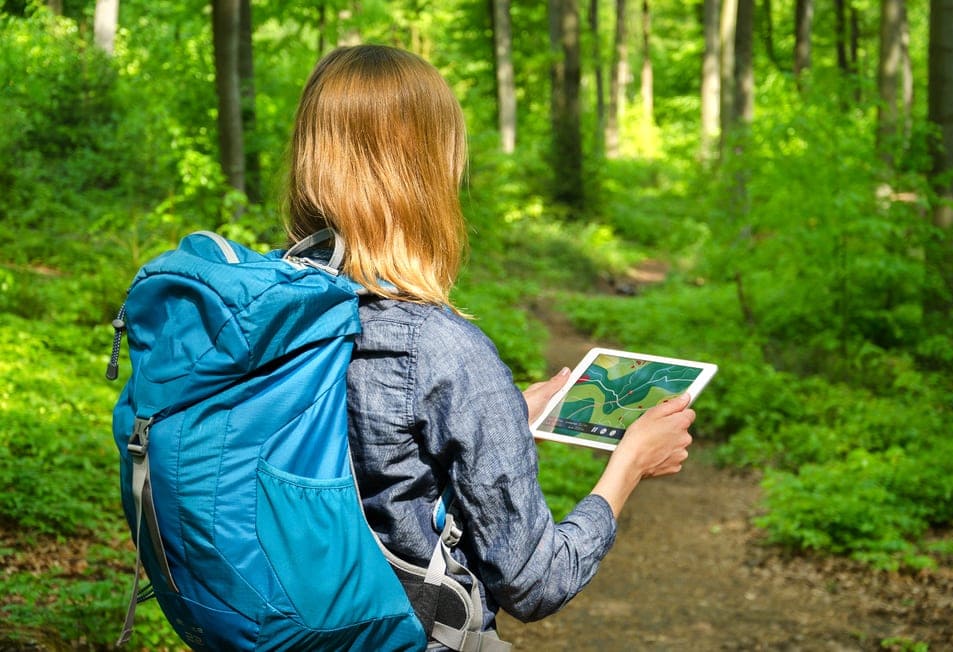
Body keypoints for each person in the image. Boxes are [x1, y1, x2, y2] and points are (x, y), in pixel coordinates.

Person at [282, 44, 695, 648]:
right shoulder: (439, 349)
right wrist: (629, 463)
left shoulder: (277, 314)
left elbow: (360, 463)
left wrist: (503, 417)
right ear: (425, 170)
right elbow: (536, 581)